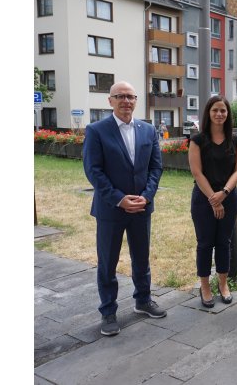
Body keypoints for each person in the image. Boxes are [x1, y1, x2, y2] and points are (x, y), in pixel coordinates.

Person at [82, 81, 166, 337]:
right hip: (111, 210)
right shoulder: (97, 130)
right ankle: (108, 311)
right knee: (108, 262)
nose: (126, 101)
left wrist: (146, 197)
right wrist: (119, 199)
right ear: (110, 101)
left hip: (141, 207)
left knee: (142, 257)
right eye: (120, 96)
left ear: (136, 101)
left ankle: (143, 300)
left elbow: (155, 167)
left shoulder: (148, 130)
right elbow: (93, 170)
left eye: (130, 96)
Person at [188, 96, 237, 308]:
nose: (219, 114)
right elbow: (197, 172)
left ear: (228, 114)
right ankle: (205, 286)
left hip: (229, 198)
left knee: (224, 242)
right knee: (204, 243)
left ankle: (223, 284)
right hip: (204, 199)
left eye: (223, 110)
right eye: (215, 110)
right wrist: (214, 199)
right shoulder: (197, 140)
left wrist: (225, 193)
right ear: (208, 113)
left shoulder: (236, 141)